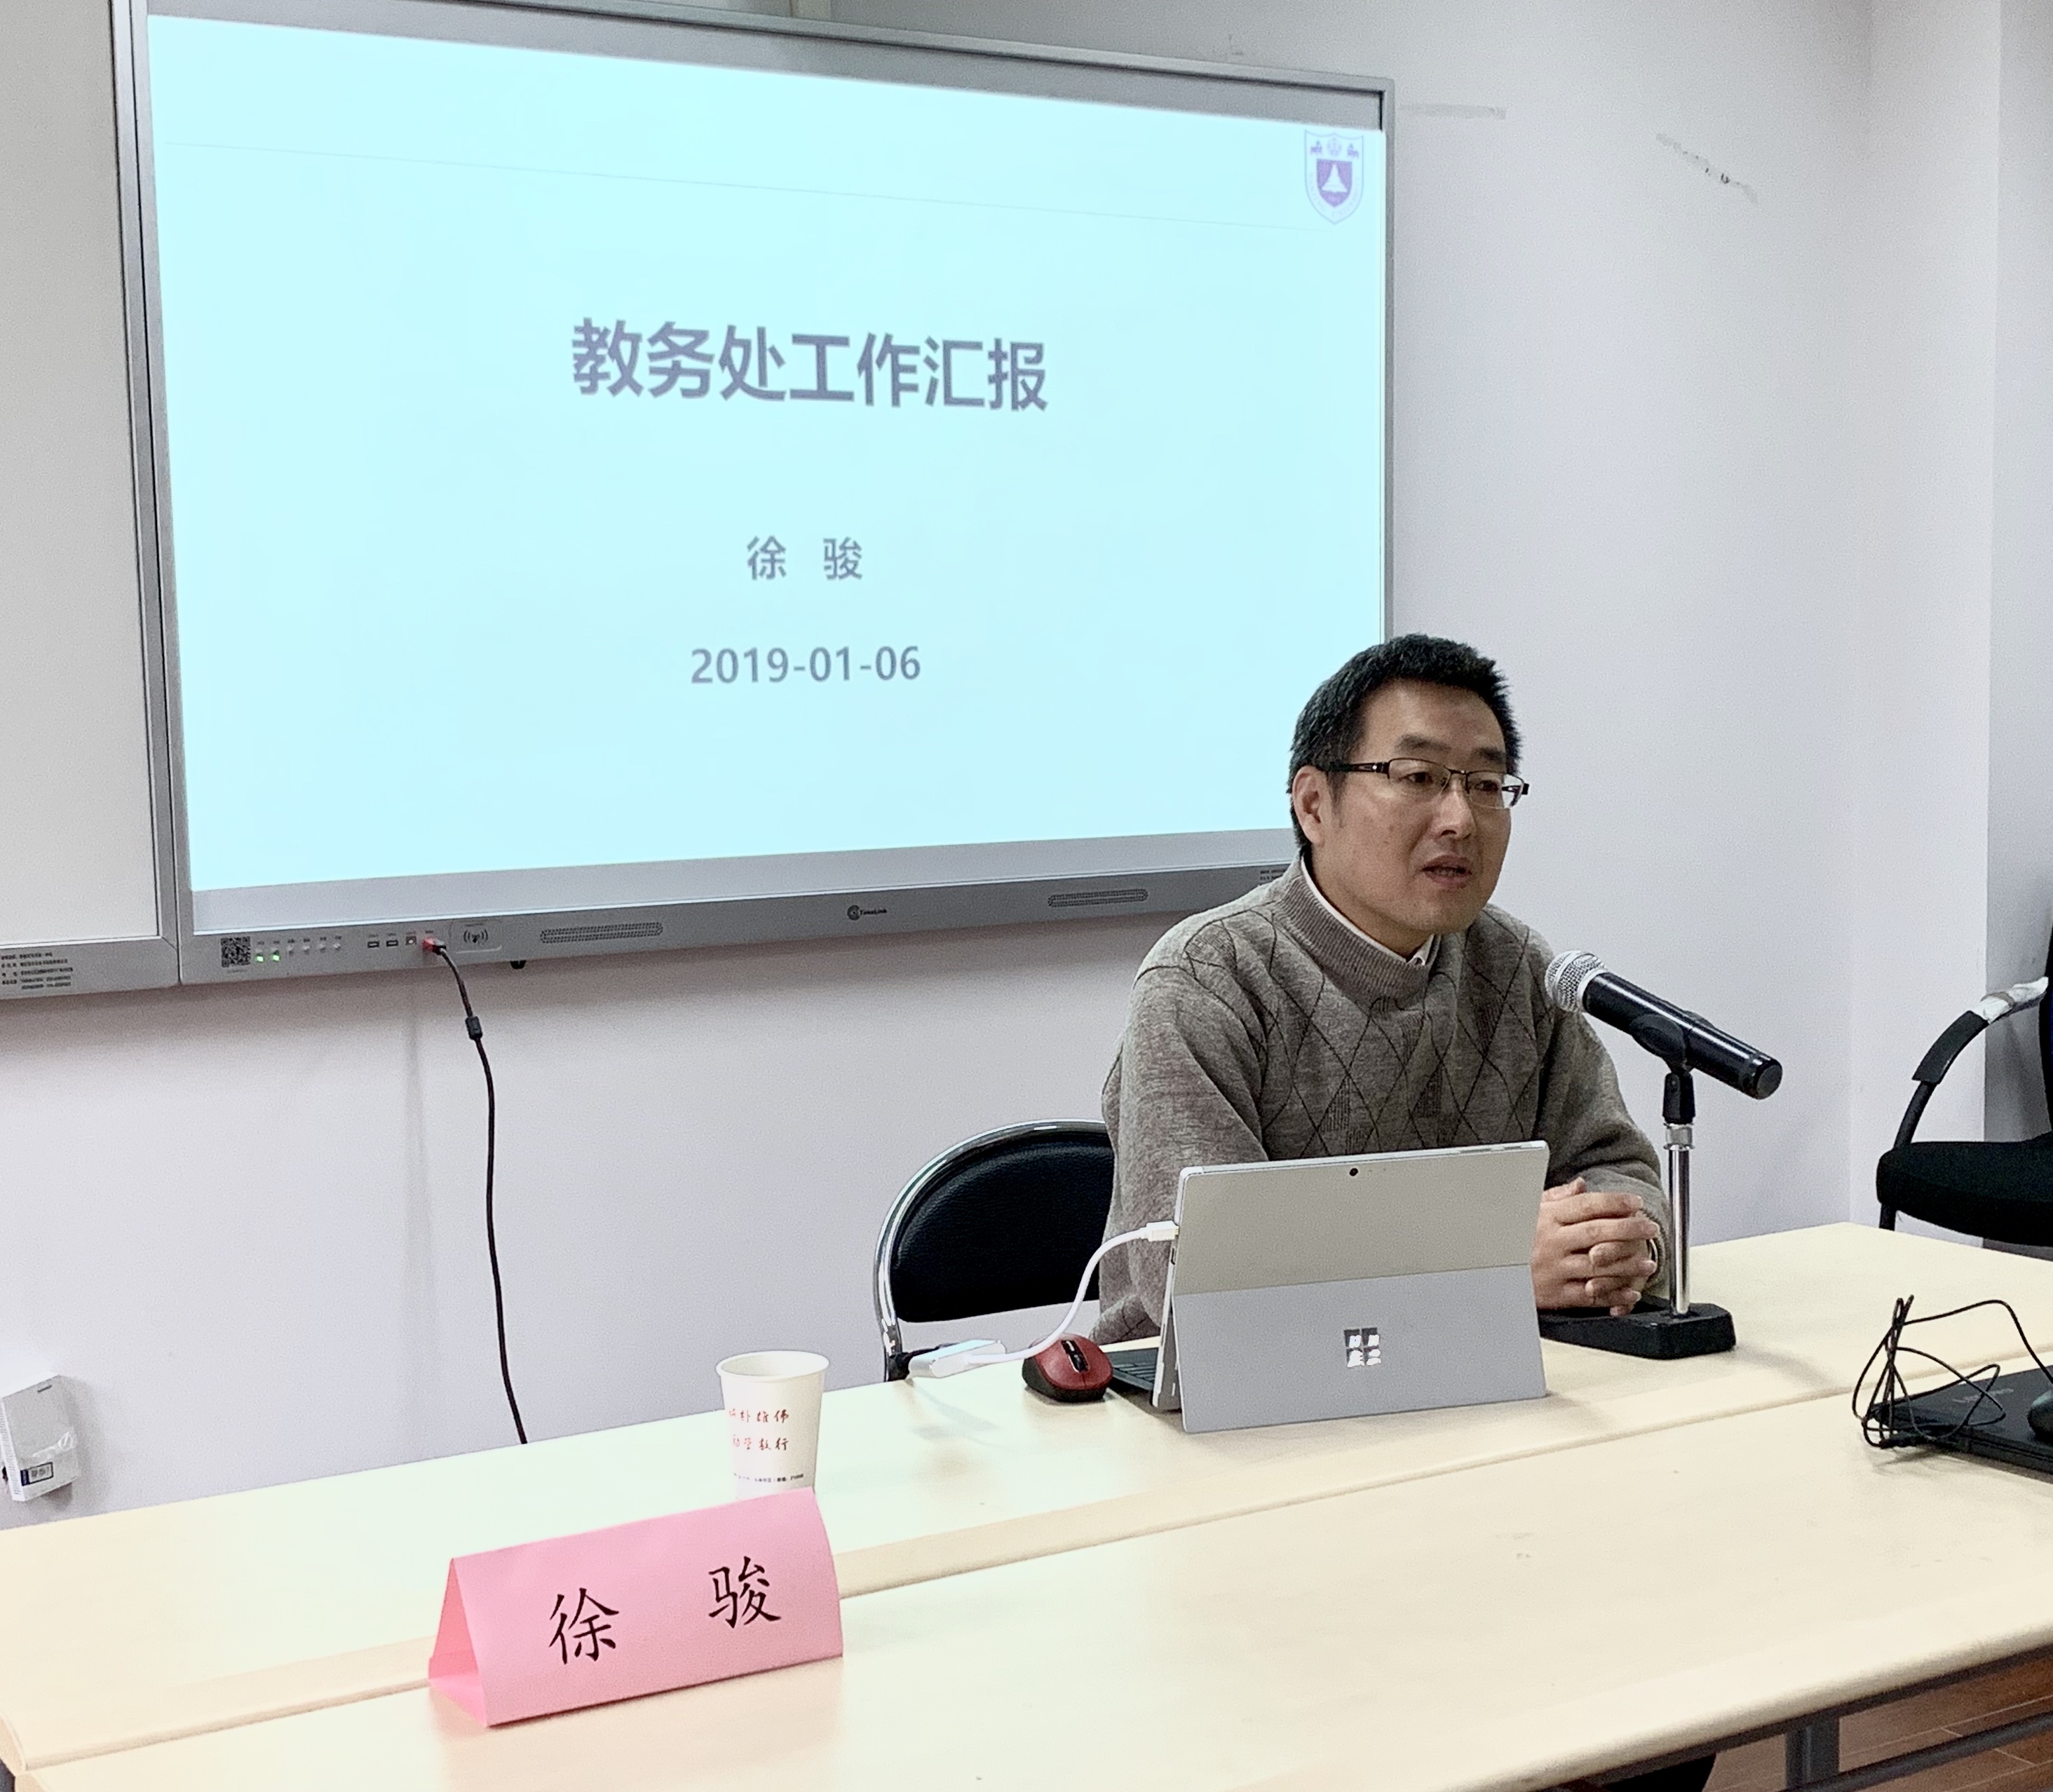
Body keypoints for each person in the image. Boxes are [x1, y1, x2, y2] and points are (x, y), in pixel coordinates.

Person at [1095, 633, 1667, 1345]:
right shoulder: (1206, 982)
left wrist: (1621, 1248)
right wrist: (1484, 1266)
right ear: (1313, 805)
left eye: (1486, 786)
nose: (1460, 819)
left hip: (1471, 1362)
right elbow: (1205, 1281)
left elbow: (1619, 1168)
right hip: (1209, 1388)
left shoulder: (1514, 964)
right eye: (1418, 777)